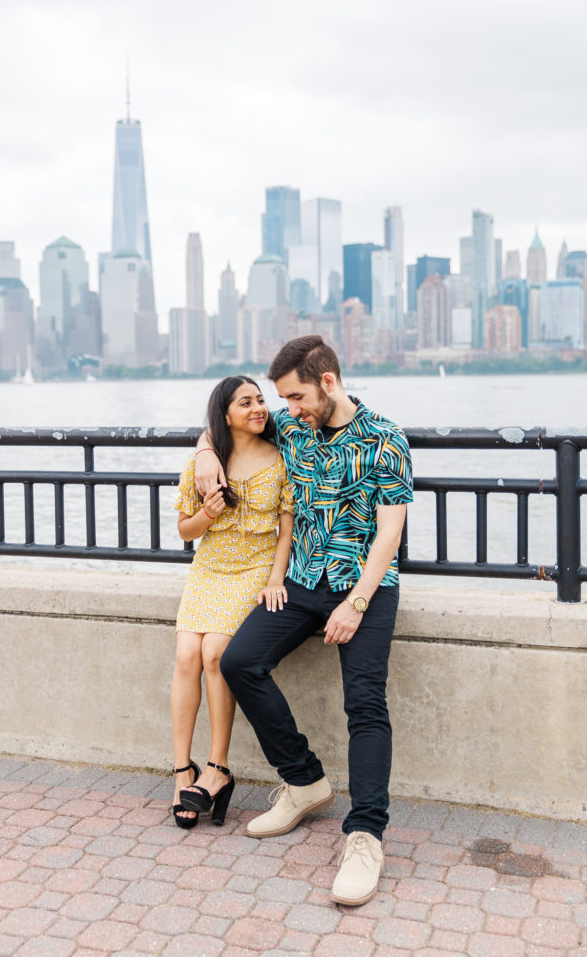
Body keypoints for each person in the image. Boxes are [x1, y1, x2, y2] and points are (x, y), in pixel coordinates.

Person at [195, 336, 412, 905]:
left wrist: (356, 603)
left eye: (294, 396)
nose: (285, 409)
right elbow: (222, 429)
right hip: (302, 582)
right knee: (240, 661)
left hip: (364, 586)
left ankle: (365, 835)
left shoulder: (386, 440)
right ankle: (304, 781)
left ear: (328, 382)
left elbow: (390, 534)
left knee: (365, 702)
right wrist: (203, 455)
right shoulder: (294, 428)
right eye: (282, 399)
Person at [170, 375, 294, 829]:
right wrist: (208, 512)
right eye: (246, 402)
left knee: (215, 653)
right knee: (186, 655)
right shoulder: (206, 465)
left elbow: (286, 529)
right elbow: (184, 530)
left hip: (254, 569)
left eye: (261, 400)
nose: (259, 408)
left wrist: (275, 579)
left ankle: (217, 768)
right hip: (209, 568)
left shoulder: (281, 459)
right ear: (225, 414)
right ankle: (182, 767)